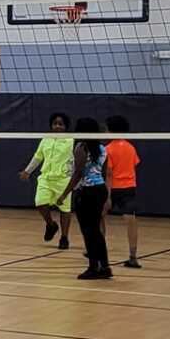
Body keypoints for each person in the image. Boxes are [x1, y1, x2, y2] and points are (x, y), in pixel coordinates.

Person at [19, 112, 76, 250]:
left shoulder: (71, 140)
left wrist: (75, 178)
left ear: (66, 126)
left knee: (65, 209)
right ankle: (51, 225)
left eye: (60, 124)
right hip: (46, 178)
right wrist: (27, 171)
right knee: (40, 203)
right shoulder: (46, 140)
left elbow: (76, 160)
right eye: (55, 123)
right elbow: (38, 157)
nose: (57, 126)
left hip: (63, 179)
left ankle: (64, 238)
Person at [66, 117, 111, 281]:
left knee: (88, 231)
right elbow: (105, 173)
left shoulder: (81, 147)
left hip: (86, 192)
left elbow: (78, 174)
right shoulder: (102, 149)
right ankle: (104, 266)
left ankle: (93, 267)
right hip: (100, 190)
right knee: (96, 231)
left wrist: (64, 194)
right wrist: (107, 196)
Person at [104, 115, 141, 268]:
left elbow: (109, 174)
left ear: (110, 129)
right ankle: (133, 256)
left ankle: (98, 252)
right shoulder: (131, 147)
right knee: (131, 221)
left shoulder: (107, 149)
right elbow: (135, 164)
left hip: (114, 188)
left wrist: (107, 196)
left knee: (99, 218)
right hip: (130, 188)